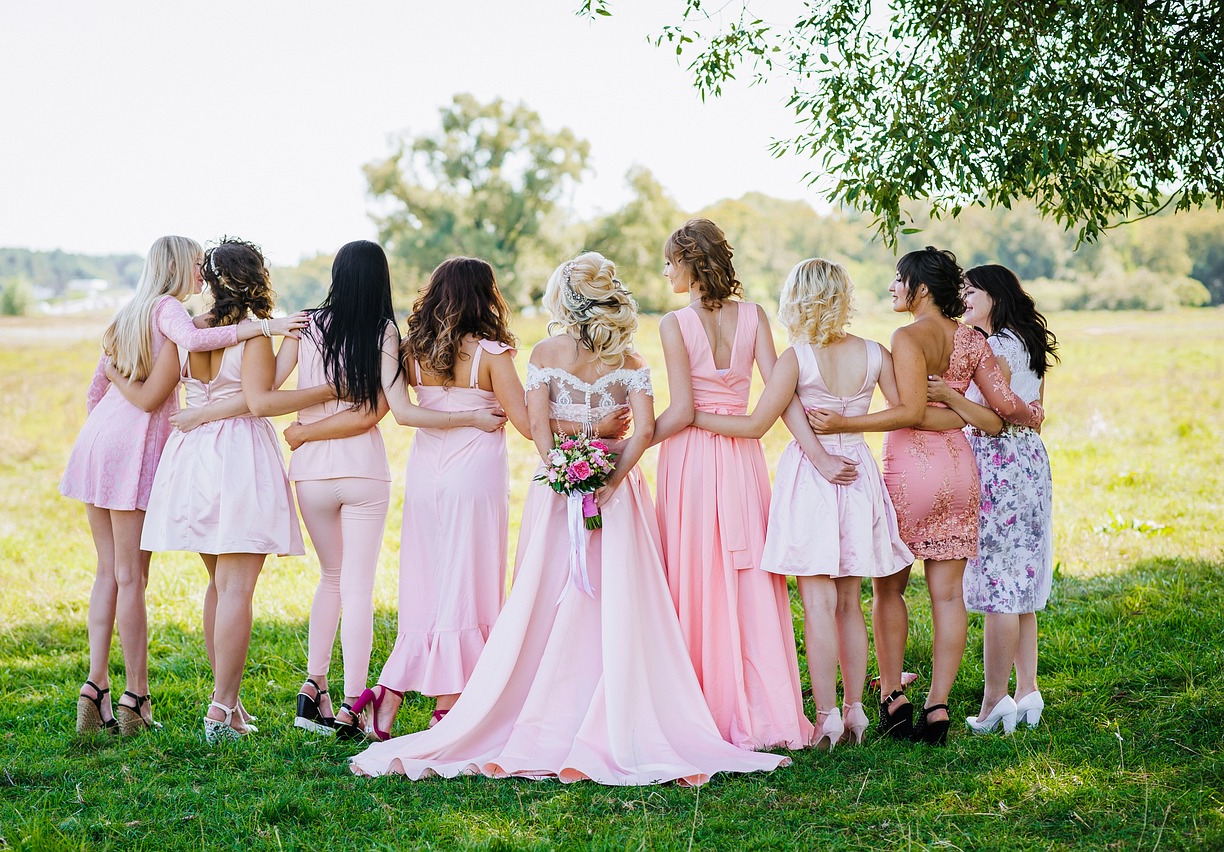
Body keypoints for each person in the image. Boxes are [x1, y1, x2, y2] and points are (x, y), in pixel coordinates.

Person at [348, 252, 787, 785]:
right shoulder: (630, 360)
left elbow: (534, 425)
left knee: (548, 595)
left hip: (555, 493)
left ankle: (537, 705)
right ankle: (617, 709)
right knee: (618, 601)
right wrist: (608, 477)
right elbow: (643, 432)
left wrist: (566, 472)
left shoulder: (545, 351)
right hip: (618, 499)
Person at [59, 234, 304, 735]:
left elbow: (110, 389)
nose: (198, 275)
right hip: (229, 454)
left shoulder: (168, 324)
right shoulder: (234, 332)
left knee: (194, 581)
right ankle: (189, 703)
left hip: (170, 456)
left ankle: (111, 686)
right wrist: (285, 335)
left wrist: (104, 435)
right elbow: (259, 396)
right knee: (202, 584)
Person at [807, 247, 1042, 745]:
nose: (893, 288)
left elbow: (909, 411)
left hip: (910, 471)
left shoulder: (906, 337)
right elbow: (994, 419)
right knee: (949, 595)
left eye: (899, 280)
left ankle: (893, 693)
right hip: (960, 472)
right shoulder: (972, 340)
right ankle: (937, 705)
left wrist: (847, 422)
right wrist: (958, 411)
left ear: (921, 288)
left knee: (889, 589)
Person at [273, 249, 510, 739]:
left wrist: (303, 427)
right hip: (361, 469)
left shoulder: (305, 327)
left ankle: (312, 684)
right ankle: (350, 702)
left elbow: (267, 394)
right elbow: (375, 413)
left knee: (330, 578)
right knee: (357, 586)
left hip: (310, 470)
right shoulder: (384, 332)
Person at [694, 258, 920, 749]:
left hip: (812, 480)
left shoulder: (796, 359)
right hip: (857, 473)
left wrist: (698, 417)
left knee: (816, 604)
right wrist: (849, 428)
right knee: (850, 602)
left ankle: (828, 716)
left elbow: (757, 422)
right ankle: (859, 711)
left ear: (797, 299)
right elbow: (904, 412)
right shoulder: (874, 352)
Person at [134, 237, 313, 743]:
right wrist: (326, 389)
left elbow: (204, 388)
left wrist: (291, 346)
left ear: (212, 280)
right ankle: (218, 712)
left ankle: (230, 707)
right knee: (237, 590)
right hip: (237, 458)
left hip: (192, 460)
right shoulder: (252, 337)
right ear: (256, 277)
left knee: (219, 585)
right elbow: (261, 400)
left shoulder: (191, 333)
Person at [650, 218, 812, 750]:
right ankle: (764, 709)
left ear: (692, 264)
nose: (666, 270)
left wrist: (629, 448)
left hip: (692, 458)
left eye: (671, 261)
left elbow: (683, 410)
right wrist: (813, 447)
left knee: (696, 569)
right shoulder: (755, 317)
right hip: (741, 455)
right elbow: (780, 391)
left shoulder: (675, 325)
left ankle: (702, 703)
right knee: (746, 574)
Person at [924, 264, 1056, 735]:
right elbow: (1035, 410)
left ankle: (993, 700)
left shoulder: (995, 346)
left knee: (1002, 586)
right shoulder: (1027, 341)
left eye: (971, 290)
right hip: (1030, 462)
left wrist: (948, 396)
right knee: (1020, 584)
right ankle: (1028, 690)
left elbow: (994, 415)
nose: (964, 297)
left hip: (999, 462)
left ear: (994, 297)